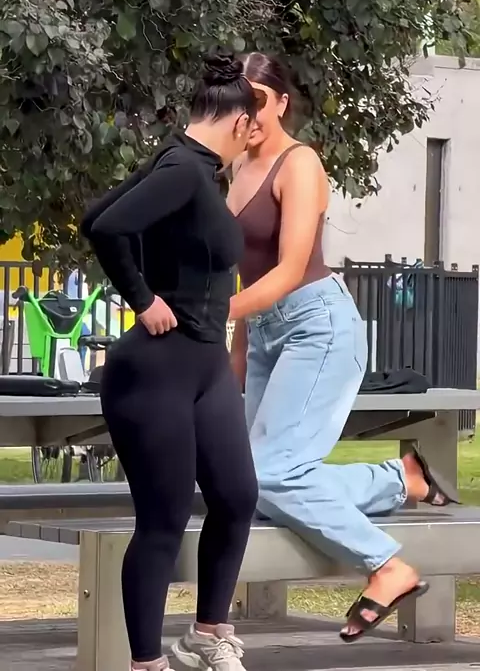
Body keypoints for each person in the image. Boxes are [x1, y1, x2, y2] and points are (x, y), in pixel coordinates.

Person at [227, 52, 458, 643]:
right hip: (264, 330)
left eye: (257, 99)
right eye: (237, 98)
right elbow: (247, 271)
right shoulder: (237, 165)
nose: (247, 111)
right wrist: (237, 351)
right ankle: (398, 479)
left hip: (317, 326)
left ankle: (387, 565)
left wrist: (213, 314)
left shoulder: (299, 163)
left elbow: (287, 270)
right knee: (250, 488)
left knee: (270, 473)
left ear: (281, 101)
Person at [81, 52, 262, 671]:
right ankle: (147, 663)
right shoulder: (184, 169)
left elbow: (93, 215)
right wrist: (142, 299)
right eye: (251, 135)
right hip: (157, 369)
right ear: (239, 123)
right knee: (163, 518)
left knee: (236, 496)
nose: (248, 147)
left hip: (205, 366)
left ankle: (209, 634)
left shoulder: (182, 164)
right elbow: (104, 227)